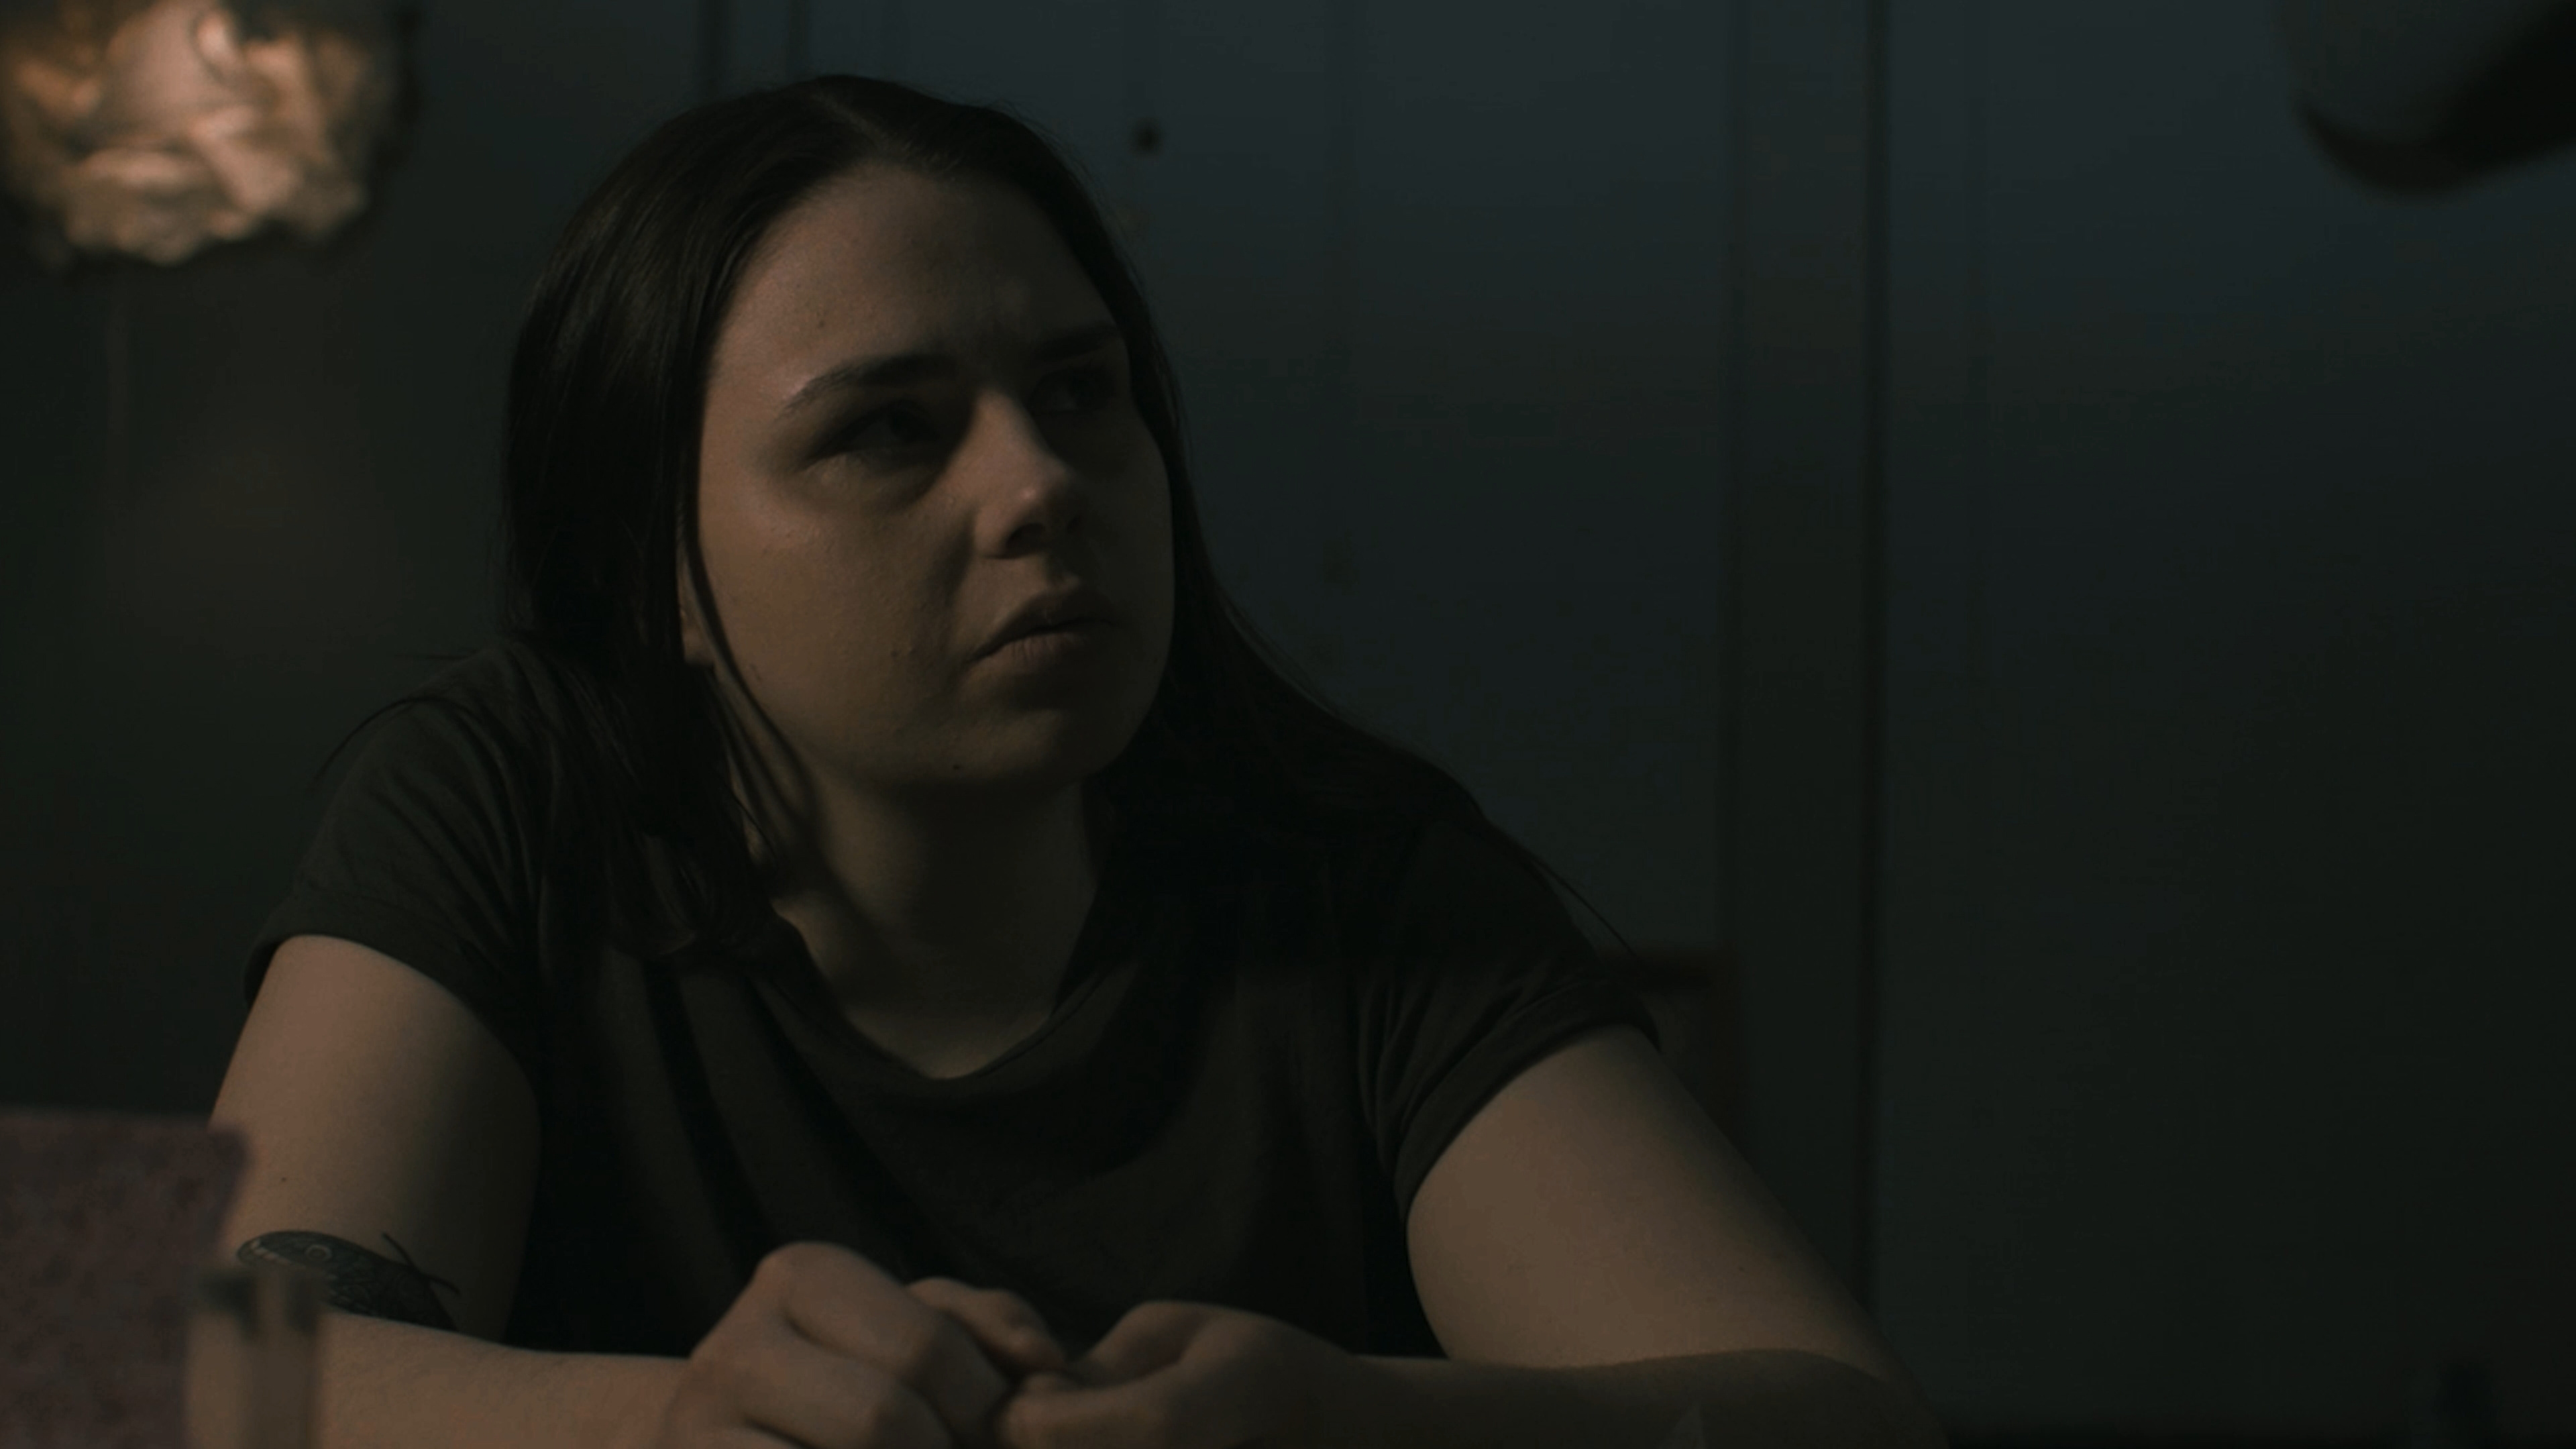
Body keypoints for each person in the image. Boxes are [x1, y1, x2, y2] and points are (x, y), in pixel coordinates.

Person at [205, 74, 1944, 1449]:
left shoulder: (1358, 884)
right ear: (648, 566)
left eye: (1081, 394)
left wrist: (1375, 1426)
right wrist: (667, 1425)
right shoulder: (506, 796)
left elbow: (1844, 1418)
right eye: (890, 429)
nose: (1042, 483)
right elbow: (205, 1372)